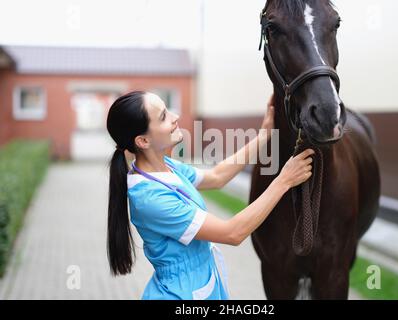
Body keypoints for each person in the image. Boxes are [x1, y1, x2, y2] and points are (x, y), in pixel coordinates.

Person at [106, 91, 314, 300]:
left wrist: (263, 136)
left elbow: (217, 176)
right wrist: (284, 180)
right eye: (163, 117)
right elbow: (233, 233)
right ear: (143, 141)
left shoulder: (164, 166)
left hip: (200, 286)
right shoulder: (150, 199)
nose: (174, 117)